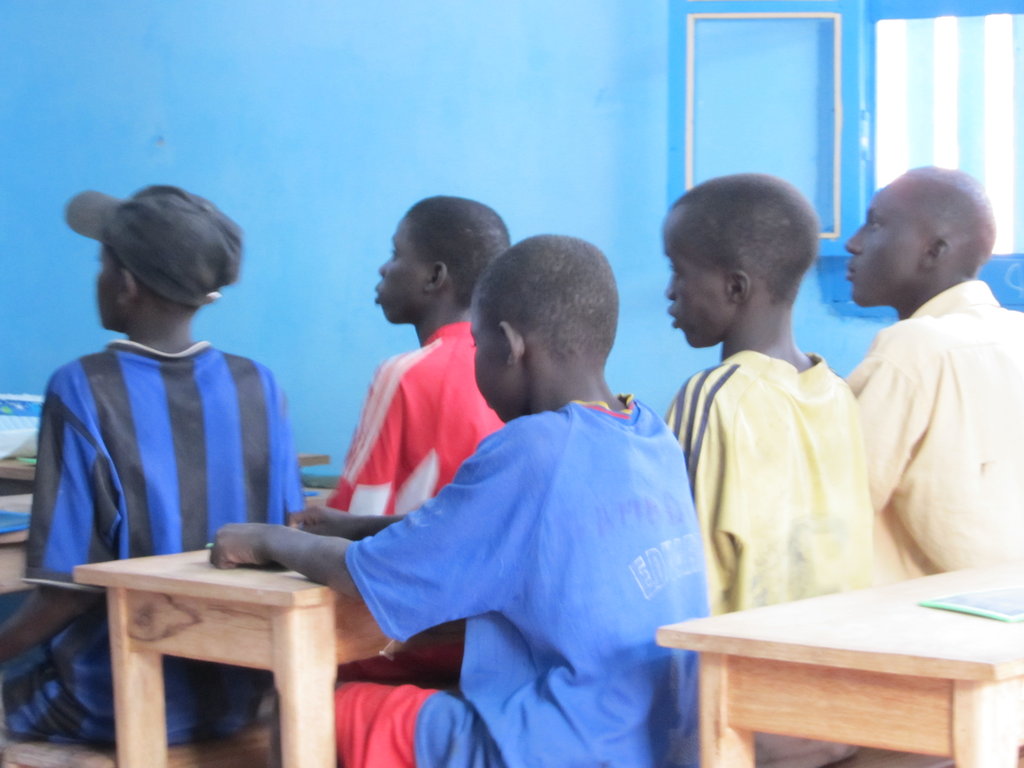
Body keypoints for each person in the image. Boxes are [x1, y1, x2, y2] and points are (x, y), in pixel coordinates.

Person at [212, 235, 707, 768]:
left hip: (563, 745)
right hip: (657, 738)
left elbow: (362, 576)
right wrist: (358, 525)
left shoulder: (534, 448)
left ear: (511, 345)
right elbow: (493, 530)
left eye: (477, 345)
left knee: (311, 710)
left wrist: (267, 538)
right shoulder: (649, 435)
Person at [0, 186, 303, 745]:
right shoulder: (259, 386)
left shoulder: (83, 389)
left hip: (115, 697)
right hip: (244, 692)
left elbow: (68, 587)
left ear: (126, 285)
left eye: (102, 264)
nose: (98, 277)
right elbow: (289, 532)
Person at [663, 174, 872, 768]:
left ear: (735, 287)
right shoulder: (836, 392)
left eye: (680, 271)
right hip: (840, 700)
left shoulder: (714, 396)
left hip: (749, 711)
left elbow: (674, 566)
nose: (671, 292)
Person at [846, 166, 1024, 584]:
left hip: (924, 623)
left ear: (933, 251)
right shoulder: (1016, 332)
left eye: (875, 225)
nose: (854, 243)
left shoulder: (911, 350)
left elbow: (838, 501)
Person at [322, 196, 506, 518]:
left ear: (435, 277)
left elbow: (359, 511)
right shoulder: (509, 369)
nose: (384, 267)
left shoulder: (405, 374)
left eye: (395, 254)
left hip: (418, 564)